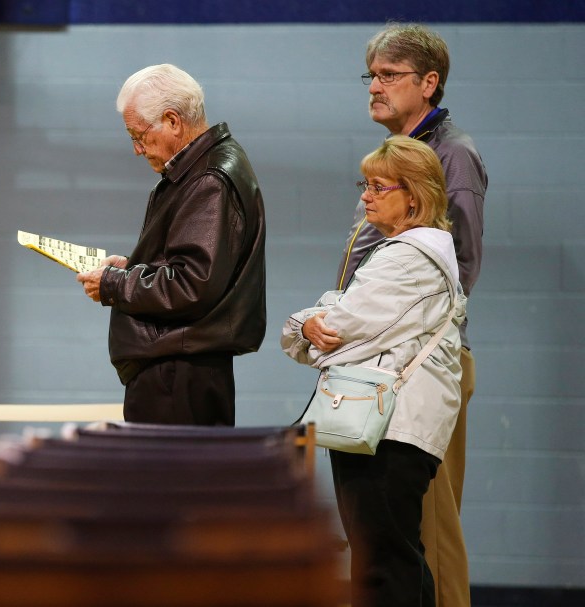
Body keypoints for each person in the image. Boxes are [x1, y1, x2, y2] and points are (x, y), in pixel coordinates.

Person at [302, 23, 487, 607]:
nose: (375, 87)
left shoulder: (451, 152)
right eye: (372, 76)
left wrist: (357, 333)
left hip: (414, 368)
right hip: (375, 365)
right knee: (387, 538)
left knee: (424, 533)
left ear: (429, 83)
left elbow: (459, 265)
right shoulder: (399, 157)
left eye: (390, 76)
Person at [282, 136, 466, 607]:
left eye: (379, 186)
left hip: (390, 429)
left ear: (414, 195)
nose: (365, 195)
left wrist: (304, 324)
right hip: (388, 428)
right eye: (365, 184)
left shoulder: (409, 258)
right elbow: (341, 321)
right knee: (394, 556)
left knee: (384, 563)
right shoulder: (403, 253)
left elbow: (339, 332)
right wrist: (317, 323)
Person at [76, 64, 266, 426]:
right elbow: (192, 267)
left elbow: (192, 284)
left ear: (173, 121)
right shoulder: (203, 170)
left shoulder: (209, 178)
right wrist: (132, 268)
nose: (136, 149)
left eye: (138, 135)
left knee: (172, 481)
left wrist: (115, 284)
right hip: (182, 366)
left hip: (178, 373)